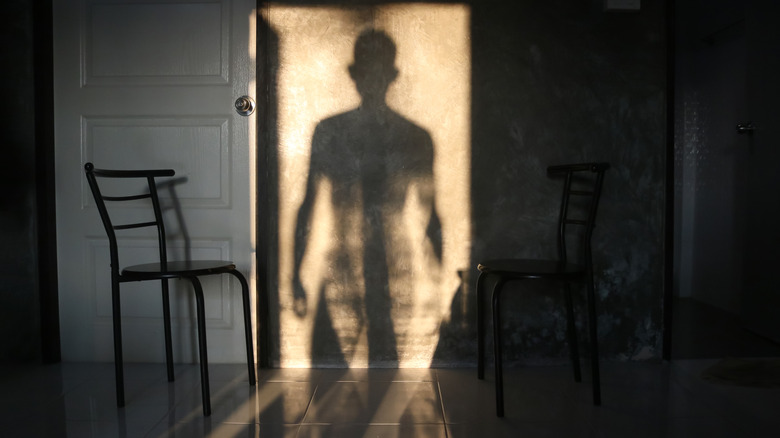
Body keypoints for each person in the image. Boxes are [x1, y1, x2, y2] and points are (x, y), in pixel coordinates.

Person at [293, 29, 441, 366]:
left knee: (383, 370)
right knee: (336, 381)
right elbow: (307, 205)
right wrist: (294, 273)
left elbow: (431, 215)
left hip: (396, 272)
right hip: (341, 272)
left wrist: (441, 282)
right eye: (367, 72)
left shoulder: (414, 137)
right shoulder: (330, 132)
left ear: (391, 76)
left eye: (377, 72)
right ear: (355, 75)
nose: (371, 81)